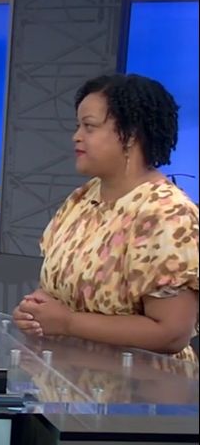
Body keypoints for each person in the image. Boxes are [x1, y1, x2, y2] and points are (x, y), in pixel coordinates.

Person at [12, 74, 199, 361]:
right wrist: (35, 312)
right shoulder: (82, 199)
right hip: (69, 377)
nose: (76, 136)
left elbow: (172, 333)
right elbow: (59, 293)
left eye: (89, 126)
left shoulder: (167, 214)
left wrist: (68, 323)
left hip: (140, 385)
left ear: (131, 134)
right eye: (78, 126)